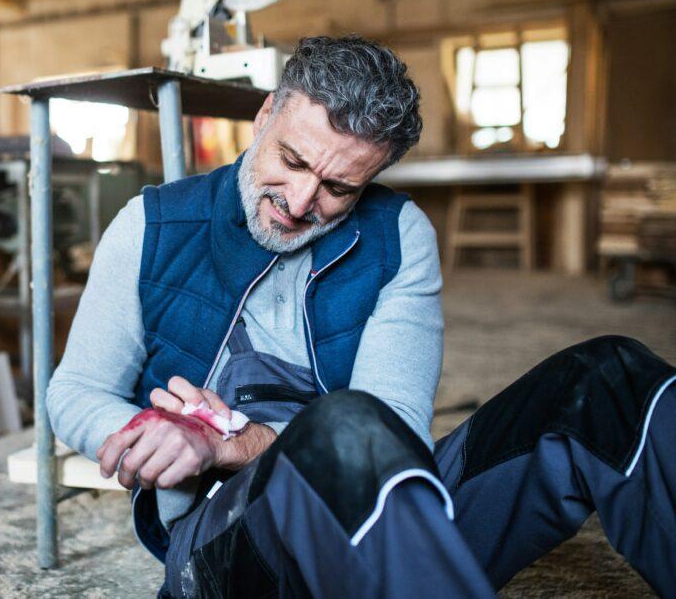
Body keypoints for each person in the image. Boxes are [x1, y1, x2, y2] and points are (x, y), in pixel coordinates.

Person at [46, 35, 676, 597]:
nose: (298, 203)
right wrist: (167, 439)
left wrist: (234, 440)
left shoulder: (400, 236)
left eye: (339, 189)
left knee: (611, 378)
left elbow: (395, 432)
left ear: (373, 175)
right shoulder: (152, 225)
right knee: (345, 427)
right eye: (292, 161)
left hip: (388, 501)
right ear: (266, 114)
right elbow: (73, 392)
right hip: (232, 537)